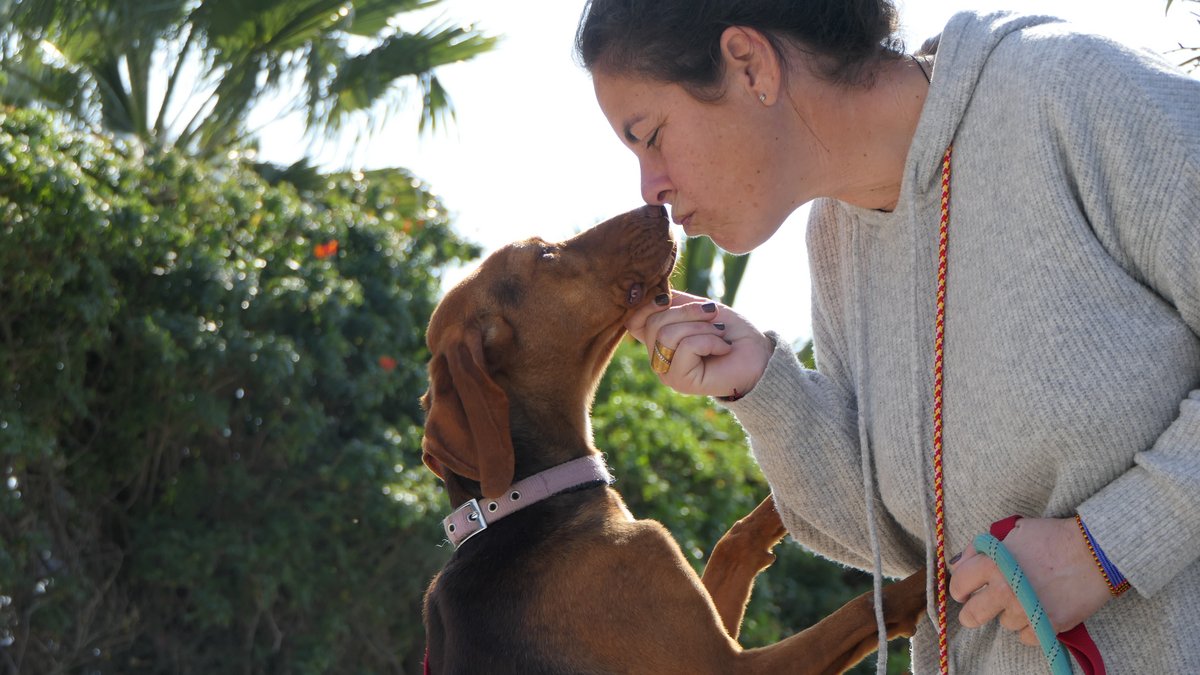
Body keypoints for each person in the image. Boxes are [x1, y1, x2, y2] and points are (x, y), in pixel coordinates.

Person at [575, 1, 1200, 673]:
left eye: (651, 136)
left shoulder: (1065, 91)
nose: (651, 189)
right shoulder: (836, 239)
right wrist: (763, 386)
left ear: (750, 65)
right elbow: (898, 543)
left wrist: (1108, 545)